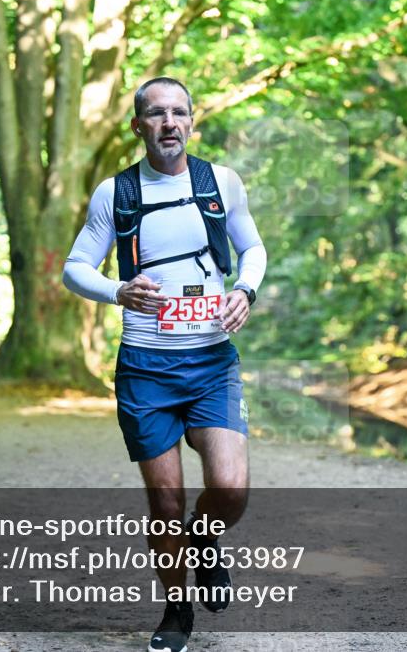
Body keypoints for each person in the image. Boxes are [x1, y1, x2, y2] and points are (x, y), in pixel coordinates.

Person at [62, 77, 266, 652]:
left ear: (192, 121)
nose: (169, 123)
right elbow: (75, 267)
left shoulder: (219, 183)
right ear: (139, 126)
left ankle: (205, 542)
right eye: (156, 115)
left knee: (229, 490)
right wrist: (117, 291)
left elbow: (252, 248)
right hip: (146, 368)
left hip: (210, 362)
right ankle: (176, 611)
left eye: (179, 113)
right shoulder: (116, 193)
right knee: (166, 501)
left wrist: (245, 291)